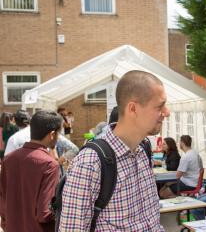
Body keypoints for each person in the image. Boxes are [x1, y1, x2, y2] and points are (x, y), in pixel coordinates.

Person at [59, 70, 169, 231]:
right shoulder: (90, 163)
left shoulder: (144, 149)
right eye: (160, 106)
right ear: (133, 109)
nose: (167, 112)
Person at [0, 110, 63, 232]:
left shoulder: (8, 159)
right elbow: (44, 213)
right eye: (58, 134)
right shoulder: (50, 164)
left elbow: (2, 200)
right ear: (52, 134)